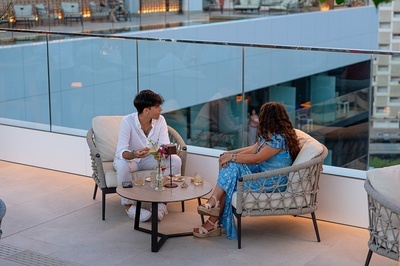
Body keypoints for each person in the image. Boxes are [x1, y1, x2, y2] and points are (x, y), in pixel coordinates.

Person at [193, 102, 300, 239]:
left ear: (267, 118)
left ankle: (212, 208)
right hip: (260, 175)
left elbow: (257, 158)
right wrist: (230, 158)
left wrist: (231, 157)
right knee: (231, 172)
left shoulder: (279, 139)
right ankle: (211, 218)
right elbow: (252, 150)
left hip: (272, 182)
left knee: (231, 174)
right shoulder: (268, 136)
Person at [113, 90, 182, 222]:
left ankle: (162, 204)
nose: (160, 109)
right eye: (157, 107)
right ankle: (129, 206)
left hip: (150, 158)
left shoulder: (160, 120)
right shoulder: (127, 122)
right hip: (131, 160)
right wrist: (134, 153)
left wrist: (166, 152)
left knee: (175, 161)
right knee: (121, 165)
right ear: (146, 110)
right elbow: (121, 152)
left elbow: (164, 145)